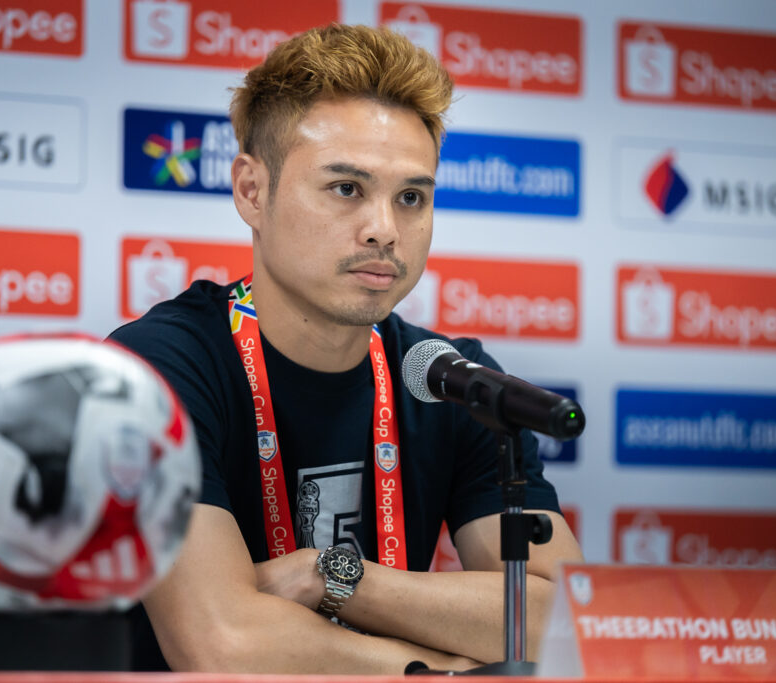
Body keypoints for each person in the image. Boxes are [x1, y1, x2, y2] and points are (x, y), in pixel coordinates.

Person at [110, 22, 582, 674]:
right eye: (347, 189)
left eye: (411, 197)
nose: (384, 229)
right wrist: (447, 667)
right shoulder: (159, 369)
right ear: (251, 190)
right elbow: (223, 645)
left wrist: (336, 576)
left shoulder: (450, 380)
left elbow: (568, 622)